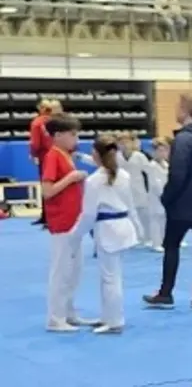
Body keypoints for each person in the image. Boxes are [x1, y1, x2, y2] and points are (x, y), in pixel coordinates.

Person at [143, 95, 192, 308]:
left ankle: (165, 292)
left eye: (178, 107)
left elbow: (178, 173)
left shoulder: (184, 139)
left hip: (182, 204)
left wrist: (167, 198)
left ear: (185, 110)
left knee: (171, 247)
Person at [71, 134, 139, 334]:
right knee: (112, 276)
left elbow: (88, 214)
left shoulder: (94, 181)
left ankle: (115, 321)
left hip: (108, 229)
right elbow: (131, 205)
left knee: (110, 278)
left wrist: (76, 234)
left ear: (96, 155)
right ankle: (109, 316)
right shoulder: (123, 175)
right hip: (123, 226)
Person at [40, 113, 95, 331]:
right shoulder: (53, 156)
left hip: (74, 221)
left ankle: (68, 312)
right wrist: (71, 178)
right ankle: (55, 318)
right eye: (72, 134)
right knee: (61, 271)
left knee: (74, 271)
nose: (76, 139)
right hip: (62, 221)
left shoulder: (66, 155)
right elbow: (47, 191)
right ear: (58, 135)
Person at [117, 132, 150, 247]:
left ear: (132, 143)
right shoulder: (116, 156)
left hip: (139, 188)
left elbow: (149, 171)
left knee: (144, 214)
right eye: (121, 142)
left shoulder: (139, 156)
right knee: (128, 215)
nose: (124, 145)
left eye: (126, 142)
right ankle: (132, 237)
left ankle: (147, 237)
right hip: (123, 189)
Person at [30, 99, 56, 227]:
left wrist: (33, 154)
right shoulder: (56, 121)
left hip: (44, 157)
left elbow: (35, 143)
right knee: (56, 185)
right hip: (57, 155)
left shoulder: (37, 122)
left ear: (40, 108)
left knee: (45, 185)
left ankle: (46, 216)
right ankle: (51, 215)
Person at [145, 137, 172, 252]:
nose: (163, 153)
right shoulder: (151, 165)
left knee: (165, 219)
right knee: (156, 219)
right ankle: (156, 242)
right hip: (156, 196)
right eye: (160, 150)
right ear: (154, 152)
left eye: (165, 150)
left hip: (167, 195)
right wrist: (163, 194)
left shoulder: (166, 165)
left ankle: (166, 240)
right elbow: (155, 183)